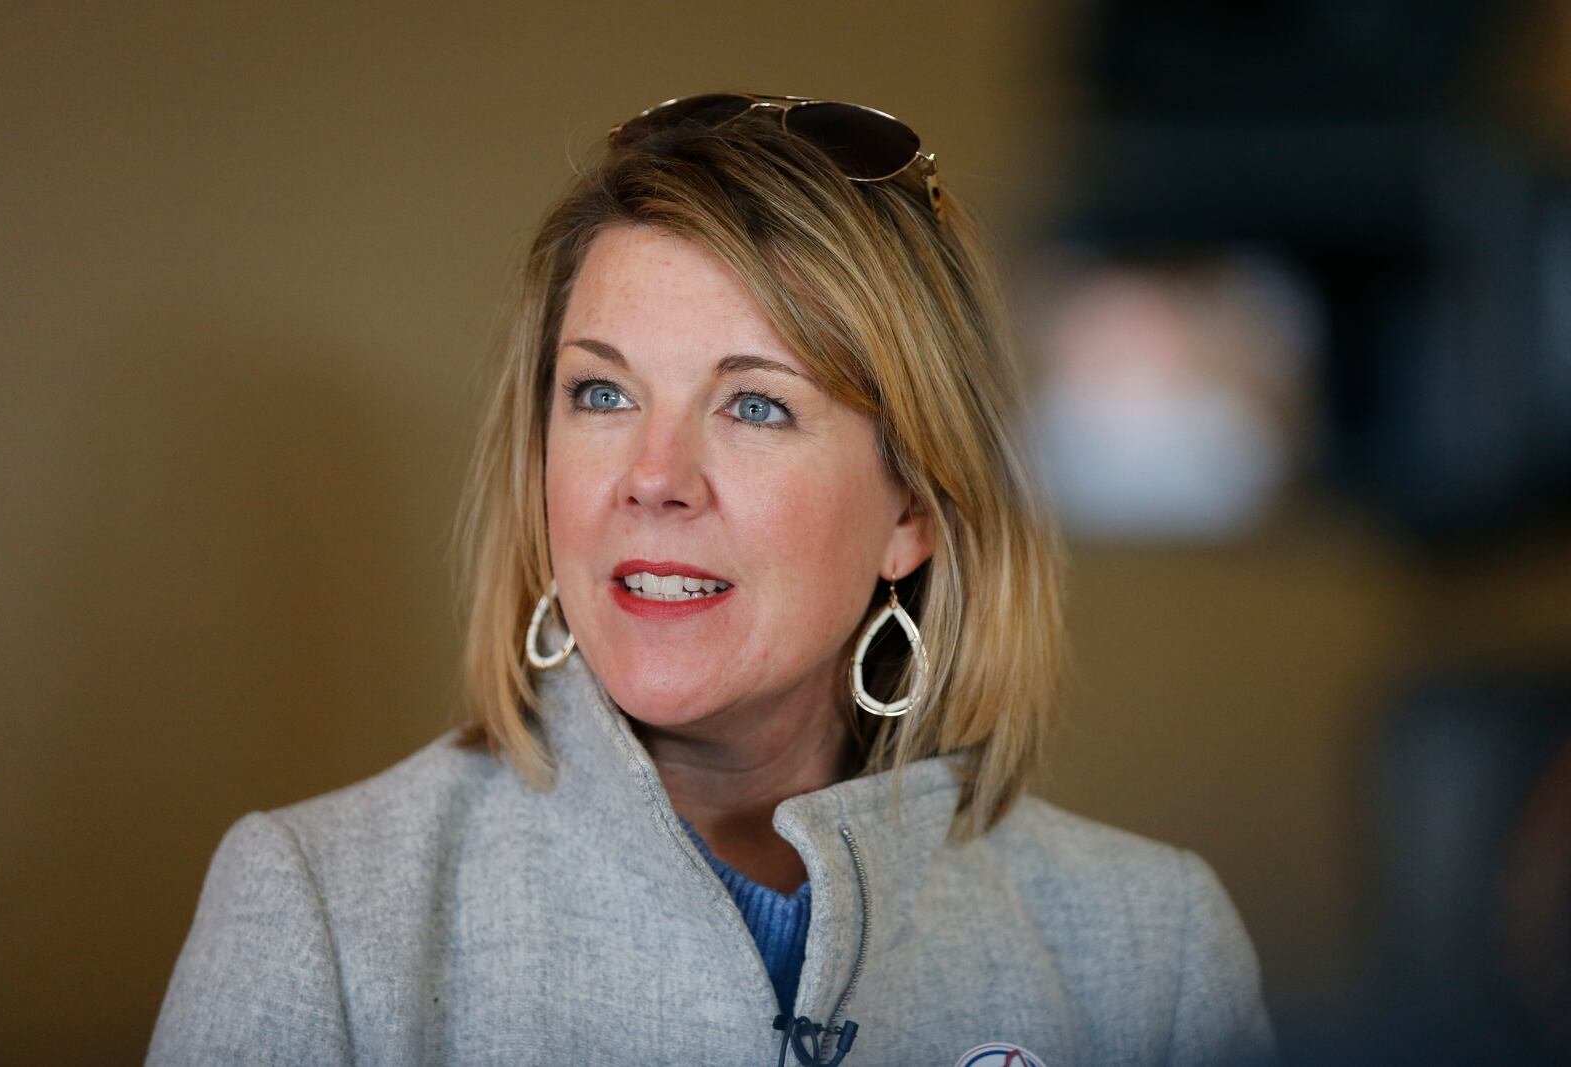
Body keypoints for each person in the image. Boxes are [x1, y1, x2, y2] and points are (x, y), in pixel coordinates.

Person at [147, 92, 1279, 1067]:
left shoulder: (1151, 944)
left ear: (913, 512)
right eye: (600, 392)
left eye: (754, 404)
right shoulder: (319, 904)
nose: (651, 476)